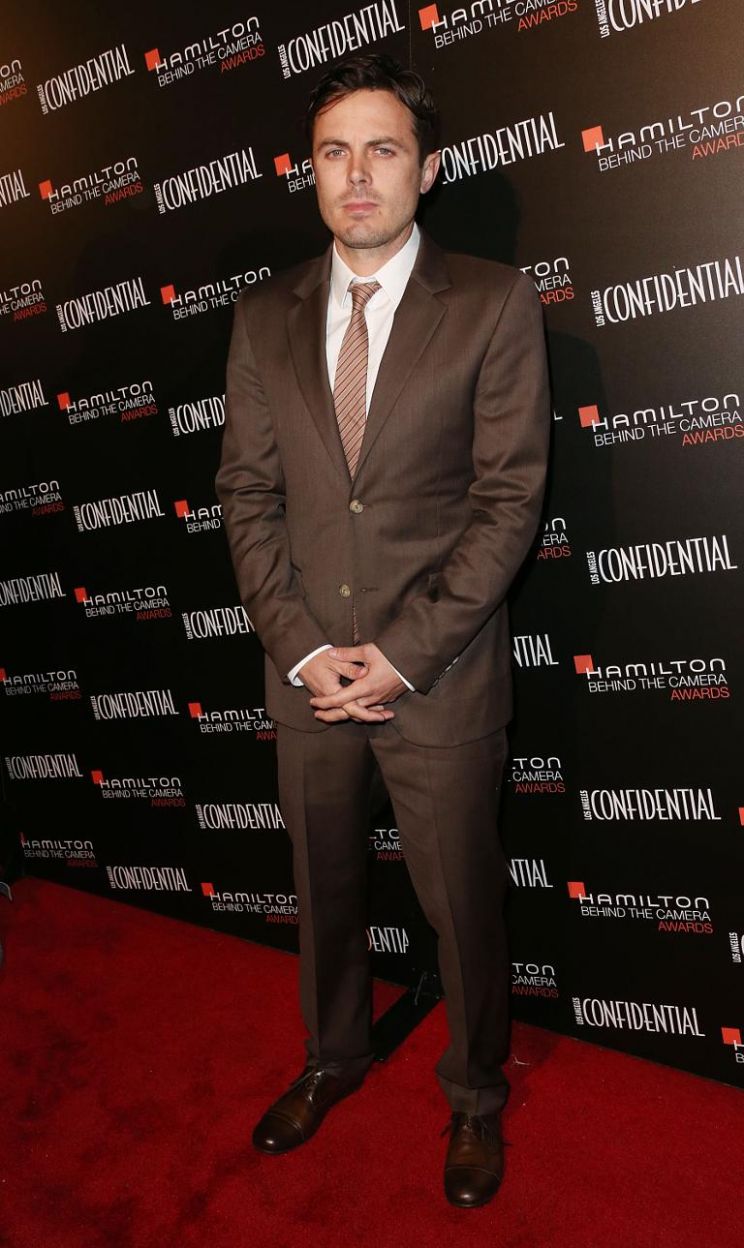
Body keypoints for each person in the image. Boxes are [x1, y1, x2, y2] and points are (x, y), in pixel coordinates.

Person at [215, 52, 550, 1208]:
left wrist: (403, 656)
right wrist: (305, 650)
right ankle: (334, 1056)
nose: (357, 174)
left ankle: (475, 1097)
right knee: (325, 897)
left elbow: (509, 502)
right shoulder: (262, 317)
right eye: (334, 152)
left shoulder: (495, 303)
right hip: (307, 678)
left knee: (463, 910)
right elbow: (246, 497)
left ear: (428, 168)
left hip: (439, 682)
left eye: (383, 149)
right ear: (311, 171)